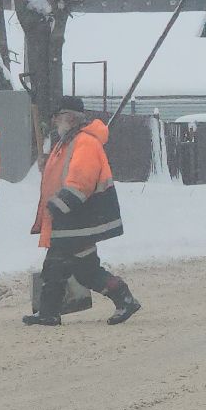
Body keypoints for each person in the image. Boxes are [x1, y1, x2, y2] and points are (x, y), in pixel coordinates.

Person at [24, 96, 141, 327]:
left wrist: (60, 205)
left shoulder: (85, 143)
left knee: (68, 267)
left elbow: (82, 181)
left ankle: (51, 312)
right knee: (72, 268)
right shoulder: (68, 142)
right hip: (71, 219)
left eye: (58, 117)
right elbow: (65, 171)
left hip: (77, 218)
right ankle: (121, 298)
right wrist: (48, 162)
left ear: (69, 117)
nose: (55, 122)